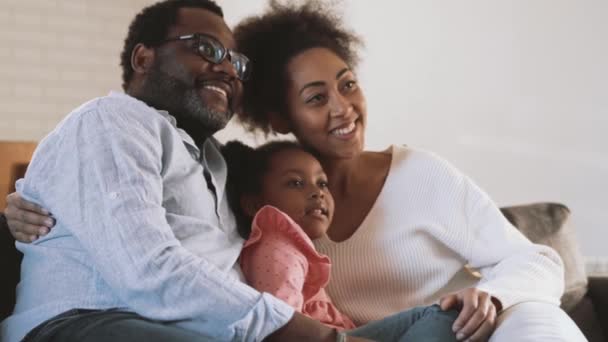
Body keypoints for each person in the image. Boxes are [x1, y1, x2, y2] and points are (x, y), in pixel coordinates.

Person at [4, 1, 587, 341]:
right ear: (281, 116)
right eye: (314, 97)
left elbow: (534, 259)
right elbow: (139, 252)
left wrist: (489, 299)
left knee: (455, 326)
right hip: (146, 323)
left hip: (274, 332)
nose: (341, 107)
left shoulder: (226, 167)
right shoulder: (229, 172)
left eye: (348, 84)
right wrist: (24, 203)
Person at [0, 0, 372, 341]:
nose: (227, 69)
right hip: (92, 321)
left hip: (204, 331)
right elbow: (147, 272)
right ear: (143, 59)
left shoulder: (223, 163)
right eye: (206, 48)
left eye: (237, 63)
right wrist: (317, 336)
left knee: (426, 323)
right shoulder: (112, 121)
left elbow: (290, 193)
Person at [221, 140, 459, 341]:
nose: (318, 192)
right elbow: (281, 326)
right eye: (295, 183)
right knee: (442, 316)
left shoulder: (290, 248)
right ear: (254, 204)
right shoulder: (277, 248)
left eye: (322, 183)